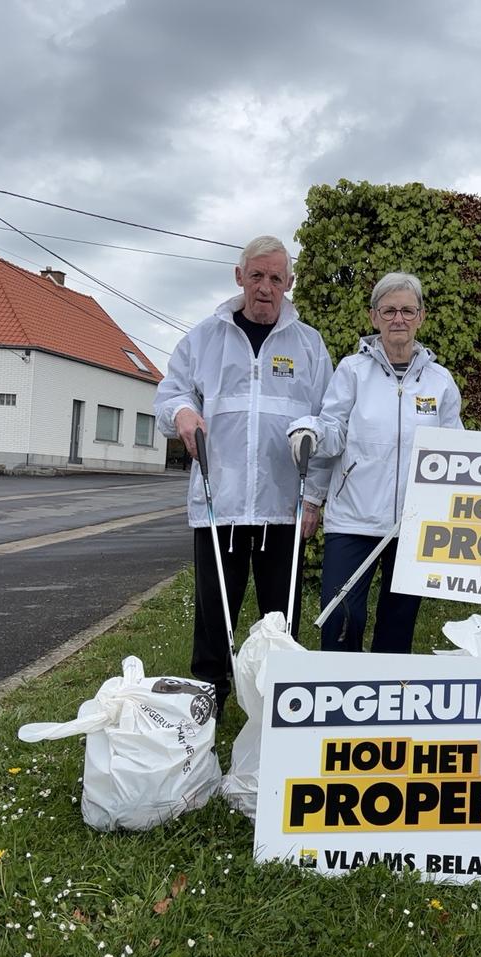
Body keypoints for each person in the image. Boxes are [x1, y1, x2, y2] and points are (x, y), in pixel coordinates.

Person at [155, 235, 331, 718]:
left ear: (289, 284)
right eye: (257, 276)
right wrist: (183, 413)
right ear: (239, 277)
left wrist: (313, 498)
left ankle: (281, 706)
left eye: (276, 278)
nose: (265, 287)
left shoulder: (309, 345)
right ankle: (206, 707)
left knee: (282, 619)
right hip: (221, 504)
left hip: (283, 506)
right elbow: (168, 397)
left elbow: (327, 423)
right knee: (215, 617)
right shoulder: (203, 339)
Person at [288, 272, 462, 653]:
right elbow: (333, 431)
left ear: (421, 317)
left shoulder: (440, 381)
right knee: (341, 614)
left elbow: (455, 450)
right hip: (354, 518)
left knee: (399, 620)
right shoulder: (352, 371)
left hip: (415, 522)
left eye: (406, 310)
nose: (398, 319)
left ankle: (385, 699)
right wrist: (313, 448)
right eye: (388, 311)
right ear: (373, 318)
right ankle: (337, 691)